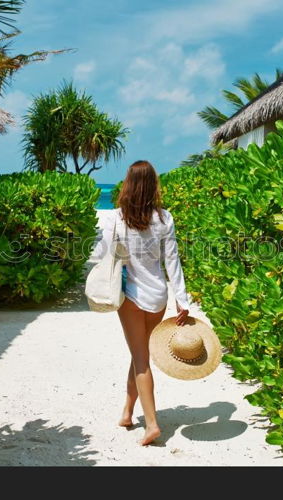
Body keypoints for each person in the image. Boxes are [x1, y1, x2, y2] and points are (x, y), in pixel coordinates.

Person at [90, 160, 191, 446]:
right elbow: (172, 261)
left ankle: (152, 424)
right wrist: (181, 299)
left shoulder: (115, 218)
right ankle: (127, 412)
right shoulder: (164, 218)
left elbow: (102, 254)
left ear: (128, 185)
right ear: (153, 186)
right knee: (139, 354)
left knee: (141, 359)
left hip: (131, 296)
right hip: (158, 295)